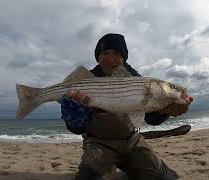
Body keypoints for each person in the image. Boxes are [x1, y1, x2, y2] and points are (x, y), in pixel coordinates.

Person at [60, 33, 193, 180]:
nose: (111, 59)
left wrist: (165, 111)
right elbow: (76, 129)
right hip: (98, 143)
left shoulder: (137, 80)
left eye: (117, 53)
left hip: (131, 140)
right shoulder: (84, 82)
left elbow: (151, 119)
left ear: (124, 58)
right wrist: (74, 117)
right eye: (105, 53)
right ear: (98, 57)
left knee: (164, 178)